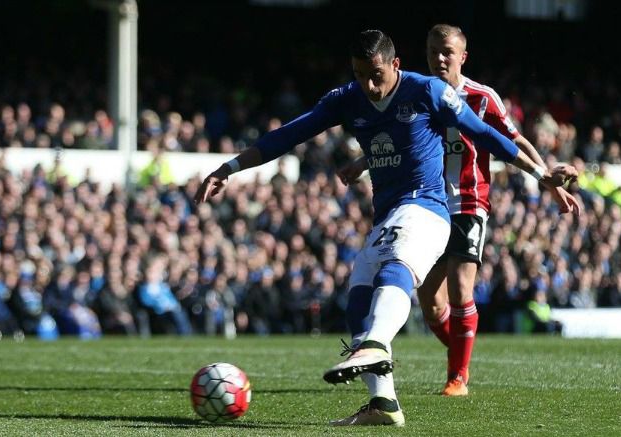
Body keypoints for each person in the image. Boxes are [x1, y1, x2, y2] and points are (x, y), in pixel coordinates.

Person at [195, 29, 576, 427]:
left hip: (428, 208)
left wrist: (540, 174)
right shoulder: (348, 99)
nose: (369, 85)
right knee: (359, 291)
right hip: (389, 212)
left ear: (395, 65)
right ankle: (384, 404)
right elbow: (289, 134)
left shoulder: (426, 91)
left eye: (376, 74)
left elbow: (486, 135)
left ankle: (382, 347)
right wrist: (230, 168)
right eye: (360, 75)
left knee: (397, 268)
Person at [338, 24, 581, 397]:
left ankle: (458, 377)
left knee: (460, 288)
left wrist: (545, 177)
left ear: (462, 56)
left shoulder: (482, 98)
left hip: (468, 200)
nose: (439, 58)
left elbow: (510, 140)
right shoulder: (417, 91)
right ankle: (459, 352)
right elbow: (408, 145)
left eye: (447, 52)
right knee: (431, 305)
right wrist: (363, 162)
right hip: (423, 207)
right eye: (433, 50)